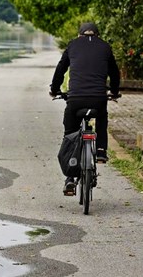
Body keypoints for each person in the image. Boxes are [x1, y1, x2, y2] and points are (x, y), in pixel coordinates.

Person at [49, 22, 120, 196]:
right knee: (102, 117)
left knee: (70, 133)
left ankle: (70, 178)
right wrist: (115, 91)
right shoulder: (105, 47)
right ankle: (101, 152)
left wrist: (54, 89)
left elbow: (61, 69)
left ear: (80, 34)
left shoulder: (73, 45)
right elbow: (115, 72)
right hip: (98, 98)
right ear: (97, 34)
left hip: (75, 100)